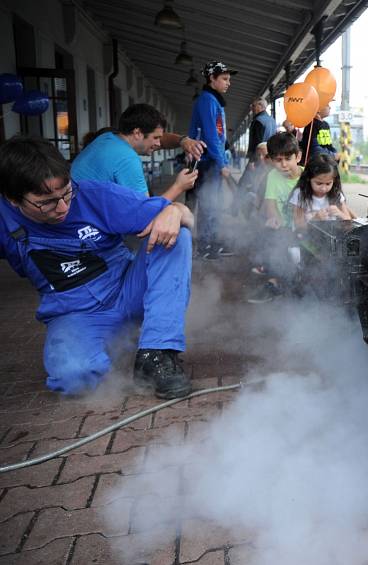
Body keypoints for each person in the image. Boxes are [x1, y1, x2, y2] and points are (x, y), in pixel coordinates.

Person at [0, 136, 194, 398]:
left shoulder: (96, 195)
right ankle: (114, 344)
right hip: (75, 314)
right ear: (13, 199)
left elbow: (188, 219)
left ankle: (156, 353)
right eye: (46, 201)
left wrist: (176, 210)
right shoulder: (4, 218)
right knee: (74, 378)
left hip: (129, 291)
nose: (63, 207)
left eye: (66, 192)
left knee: (175, 235)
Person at [72, 103, 200, 202]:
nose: (158, 144)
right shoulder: (127, 158)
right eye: (155, 138)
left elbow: (162, 140)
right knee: (179, 216)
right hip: (85, 227)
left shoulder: (108, 137)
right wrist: (179, 186)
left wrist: (182, 141)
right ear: (137, 133)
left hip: (74, 211)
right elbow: (146, 212)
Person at [188, 61, 237, 261]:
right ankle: (205, 245)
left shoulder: (214, 100)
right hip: (207, 161)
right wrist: (223, 163)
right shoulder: (207, 100)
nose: (228, 83)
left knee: (214, 203)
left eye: (229, 79)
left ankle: (213, 242)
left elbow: (218, 135)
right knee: (209, 203)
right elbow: (210, 135)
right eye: (224, 79)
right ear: (212, 79)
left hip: (213, 160)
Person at [247, 133, 304, 304]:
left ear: (298, 156)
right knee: (270, 234)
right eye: (278, 160)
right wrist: (274, 220)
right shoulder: (272, 176)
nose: (284, 164)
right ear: (271, 160)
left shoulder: (308, 176)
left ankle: (290, 279)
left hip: (305, 227)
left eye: (288, 158)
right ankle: (275, 282)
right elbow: (270, 204)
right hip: (285, 228)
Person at [290, 154, 355, 230]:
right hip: (306, 238)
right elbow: (298, 225)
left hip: (332, 237)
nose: (323, 188)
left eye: (328, 184)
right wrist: (315, 219)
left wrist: (339, 213)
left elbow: (349, 223)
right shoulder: (300, 194)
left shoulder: (336, 194)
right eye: (319, 183)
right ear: (308, 179)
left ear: (334, 181)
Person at [246, 98, 277, 163]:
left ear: (260, 105)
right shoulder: (272, 121)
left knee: (250, 173)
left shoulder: (258, 121)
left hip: (259, 158)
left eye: (253, 105)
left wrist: (251, 161)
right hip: (269, 156)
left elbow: (256, 142)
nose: (251, 108)